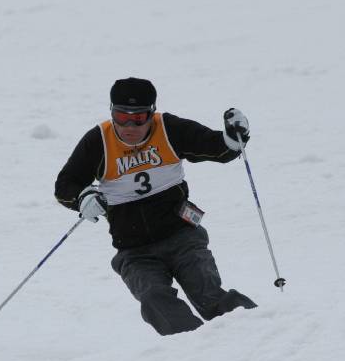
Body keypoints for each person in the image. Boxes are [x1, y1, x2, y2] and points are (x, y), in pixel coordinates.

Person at [54, 77, 257, 335]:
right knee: (154, 298)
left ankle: (257, 329)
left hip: (182, 236)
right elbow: (65, 185)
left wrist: (233, 138)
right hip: (134, 251)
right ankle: (194, 346)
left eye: (138, 118)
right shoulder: (99, 141)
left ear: (151, 113)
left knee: (208, 295)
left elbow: (217, 148)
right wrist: (82, 197)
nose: (129, 126)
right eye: (121, 116)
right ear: (112, 112)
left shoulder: (168, 129)